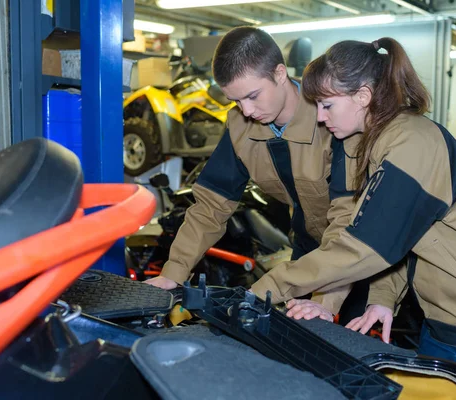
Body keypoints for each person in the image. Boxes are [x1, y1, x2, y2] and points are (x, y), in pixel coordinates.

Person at [250, 37, 456, 374]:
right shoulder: (373, 138)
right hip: (444, 308)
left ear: (363, 96)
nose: (320, 117)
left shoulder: (412, 144)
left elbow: (364, 248)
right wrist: (376, 299)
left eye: (327, 105)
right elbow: (387, 234)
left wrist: (263, 290)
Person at [144, 26, 358, 317]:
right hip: (307, 250)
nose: (245, 110)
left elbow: (349, 217)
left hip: (359, 253)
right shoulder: (240, 126)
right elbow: (211, 205)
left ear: (280, 74)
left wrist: (324, 303)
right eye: (236, 101)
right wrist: (175, 272)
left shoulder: (333, 120)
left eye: (253, 96)